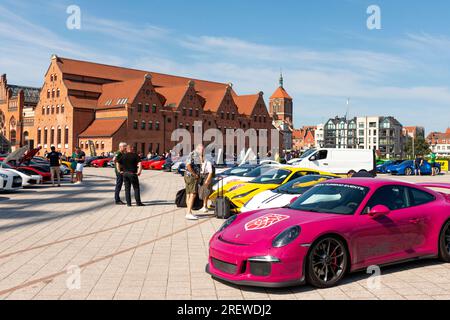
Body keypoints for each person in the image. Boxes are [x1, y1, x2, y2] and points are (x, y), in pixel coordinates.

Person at [184, 144, 203, 220]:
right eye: (202, 150)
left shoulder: (192, 154)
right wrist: (194, 174)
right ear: (198, 149)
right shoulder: (194, 155)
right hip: (192, 177)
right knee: (193, 194)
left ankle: (189, 211)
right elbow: (188, 165)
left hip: (187, 176)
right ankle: (188, 213)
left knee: (188, 194)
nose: (202, 151)